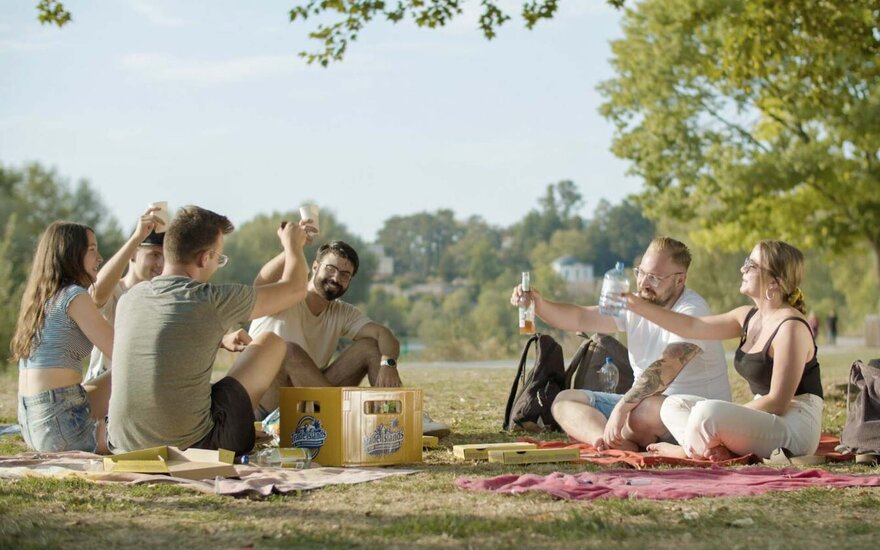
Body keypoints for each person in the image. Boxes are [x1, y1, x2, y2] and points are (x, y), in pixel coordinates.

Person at [107, 206, 311, 456]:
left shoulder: (131, 298)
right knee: (270, 342)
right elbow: (295, 289)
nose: (217, 266)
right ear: (205, 258)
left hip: (123, 445)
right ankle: (238, 425)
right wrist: (293, 246)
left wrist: (221, 339)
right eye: (219, 259)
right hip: (193, 447)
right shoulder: (209, 300)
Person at [510, 237, 730, 451]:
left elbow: (666, 368)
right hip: (641, 407)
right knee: (564, 401)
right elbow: (580, 317)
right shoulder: (637, 303)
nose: (643, 283)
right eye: (641, 272)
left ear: (679, 280)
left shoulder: (691, 310)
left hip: (688, 415)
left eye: (654, 277)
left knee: (643, 410)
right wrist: (539, 305)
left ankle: (624, 437)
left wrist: (622, 408)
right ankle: (608, 443)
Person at [626, 240, 823, 461]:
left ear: (774, 282)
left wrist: (730, 414)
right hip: (765, 419)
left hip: (794, 426)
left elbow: (778, 401)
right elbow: (692, 326)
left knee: (706, 413)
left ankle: (686, 451)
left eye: (751, 265)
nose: (742, 269)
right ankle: (712, 448)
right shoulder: (748, 316)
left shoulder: (791, 327)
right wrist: (637, 305)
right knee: (672, 404)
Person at [248, 240, 450, 437]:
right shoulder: (286, 296)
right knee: (288, 351)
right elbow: (260, 285)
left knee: (370, 347)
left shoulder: (341, 312)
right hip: (264, 404)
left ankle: (401, 418)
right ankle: (347, 418)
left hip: (309, 400)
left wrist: (388, 362)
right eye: (330, 269)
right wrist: (292, 246)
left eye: (345, 275)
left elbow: (384, 334)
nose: (336, 278)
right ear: (315, 267)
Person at [11, 221, 125, 452]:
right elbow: (123, 354)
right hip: (61, 428)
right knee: (137, 382)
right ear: (71, 254)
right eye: (92, 249)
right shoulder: (74, 296)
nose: (100, 257)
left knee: (120, 376)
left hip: (33, 423)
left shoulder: (40, 299)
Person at [84, 207, 166, 382]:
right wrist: (136, 238)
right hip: (103, 389)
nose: (161, 263)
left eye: (165, 257)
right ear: (133, 253)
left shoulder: (162, 298)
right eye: (155, 254)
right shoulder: (115, 290)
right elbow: (96, 295)